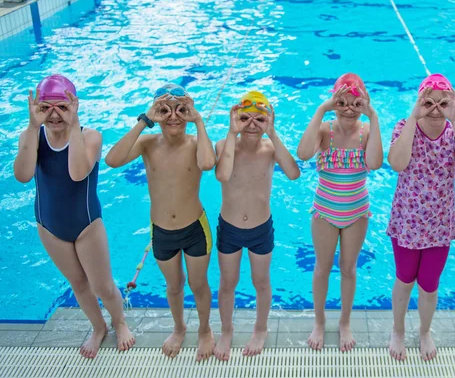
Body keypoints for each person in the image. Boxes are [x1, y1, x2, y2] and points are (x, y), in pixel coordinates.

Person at [13, 74, 135, 359]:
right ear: (37, 109)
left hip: (86, 225)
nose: (54, 115)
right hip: (49, 226)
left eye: (62, 108)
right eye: (46, 108)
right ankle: (98, 327)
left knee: (102, 286)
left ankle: (120, 322)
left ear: (74, 107)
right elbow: (22, 175)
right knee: (78, 284)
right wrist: (33, 127)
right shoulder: (31, 135)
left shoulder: (90, 136)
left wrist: (73, 125)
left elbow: (78, 173)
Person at [105, 83, 216, 361]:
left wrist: (199, 120)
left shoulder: (195, 143)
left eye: (181, 109)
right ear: (156, 113)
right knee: (174, 286)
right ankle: (179, 328)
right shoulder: (147, 143)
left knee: (198, 285)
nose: (174, 116)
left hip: (195, 229)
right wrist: (144, 121)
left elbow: (207, 164)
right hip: (162, 231)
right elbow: (112, 160)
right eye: (165, 111)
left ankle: (204, 329)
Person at [387, 73, 455, 361]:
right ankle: (398, 330)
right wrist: (414, 118)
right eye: (429, 102)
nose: (436, 109)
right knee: (404, 280)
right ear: (419, 102)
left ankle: (425, 330)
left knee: (429, 285)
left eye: (443, 103)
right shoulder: (405, 128)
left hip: (439, 227)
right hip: (407, 224)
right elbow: (397, 163)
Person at [297, 73, 383, 352]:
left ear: (364, 103)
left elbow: (375, 163)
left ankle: (344, 322)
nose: (348, 108)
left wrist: (375, 117)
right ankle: (319, 322)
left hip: (357, 212)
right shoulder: (324, 130)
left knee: (348, 269)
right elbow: (303, 153)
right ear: (334, 102)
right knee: (322, 268)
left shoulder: (367, 132)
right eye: (341, 102)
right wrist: (322, 109)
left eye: (355, 102)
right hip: (325, 211)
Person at [213, 91, 300, 360]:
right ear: (235, 119)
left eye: (259, 119)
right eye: (244, 118)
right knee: (228, 283)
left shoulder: (270, 149)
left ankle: (260, 328)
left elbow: (294, 174)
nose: (252, 124)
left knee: (261, 282)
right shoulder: (223, 145)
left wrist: (272, 134)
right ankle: (227, 331)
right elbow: (222, 175)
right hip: (230, 228)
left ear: (269, 120)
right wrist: (231, 133)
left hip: (261, 229)